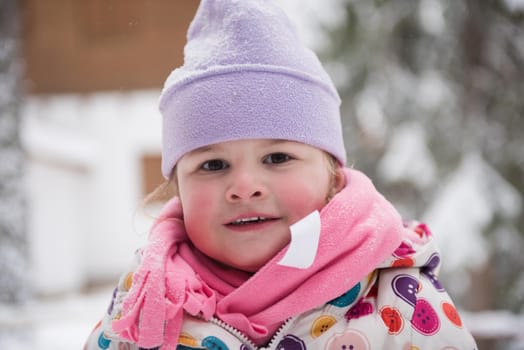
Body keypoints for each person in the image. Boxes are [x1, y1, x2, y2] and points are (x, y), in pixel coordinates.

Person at [84, 0, 478, 349]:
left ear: (334, 179)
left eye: (276, 158)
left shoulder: (400, 304)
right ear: (179, 191)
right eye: (213, 165)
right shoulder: (145, 311)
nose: (244, 187)